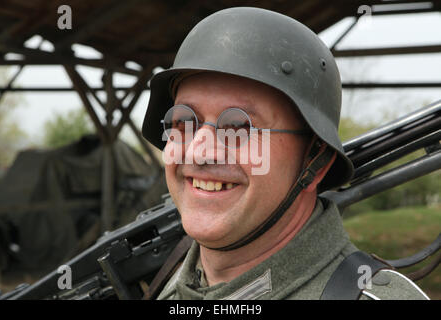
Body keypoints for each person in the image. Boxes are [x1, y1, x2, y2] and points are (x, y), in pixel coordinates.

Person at [141, 7, 429, 300]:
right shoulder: (170, 287)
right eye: (183, 121)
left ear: (315, 162)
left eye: (239, 125)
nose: (199, 151)